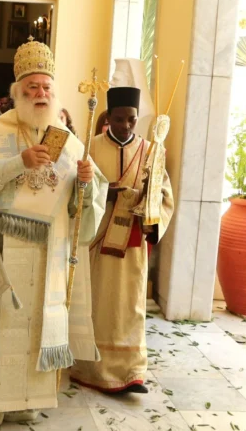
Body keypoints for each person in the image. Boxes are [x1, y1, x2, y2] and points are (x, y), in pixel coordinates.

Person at [0, 39, 108, 425]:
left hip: (49, 252)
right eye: (32, 87)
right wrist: (17, 162)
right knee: (1, 320)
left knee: (37, 325)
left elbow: (84, 204)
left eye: (46, 87)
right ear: (18, 92)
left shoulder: (66, 139)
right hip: (4, 246)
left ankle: (27, 401)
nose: (40, 93)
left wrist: (86, 182)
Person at [69, 87, 174, 394]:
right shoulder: (89, 148)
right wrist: (106, 193)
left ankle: (131, 371)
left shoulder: (151, 151)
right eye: (119, 119)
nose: (126, 125)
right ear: (108, 117)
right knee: (98, 304)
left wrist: (150, 208)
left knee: (131, 306)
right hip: (98, 240)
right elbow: (73, 189)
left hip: (132, 244)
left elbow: (165, 195)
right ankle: (91, 367)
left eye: (132, 119)